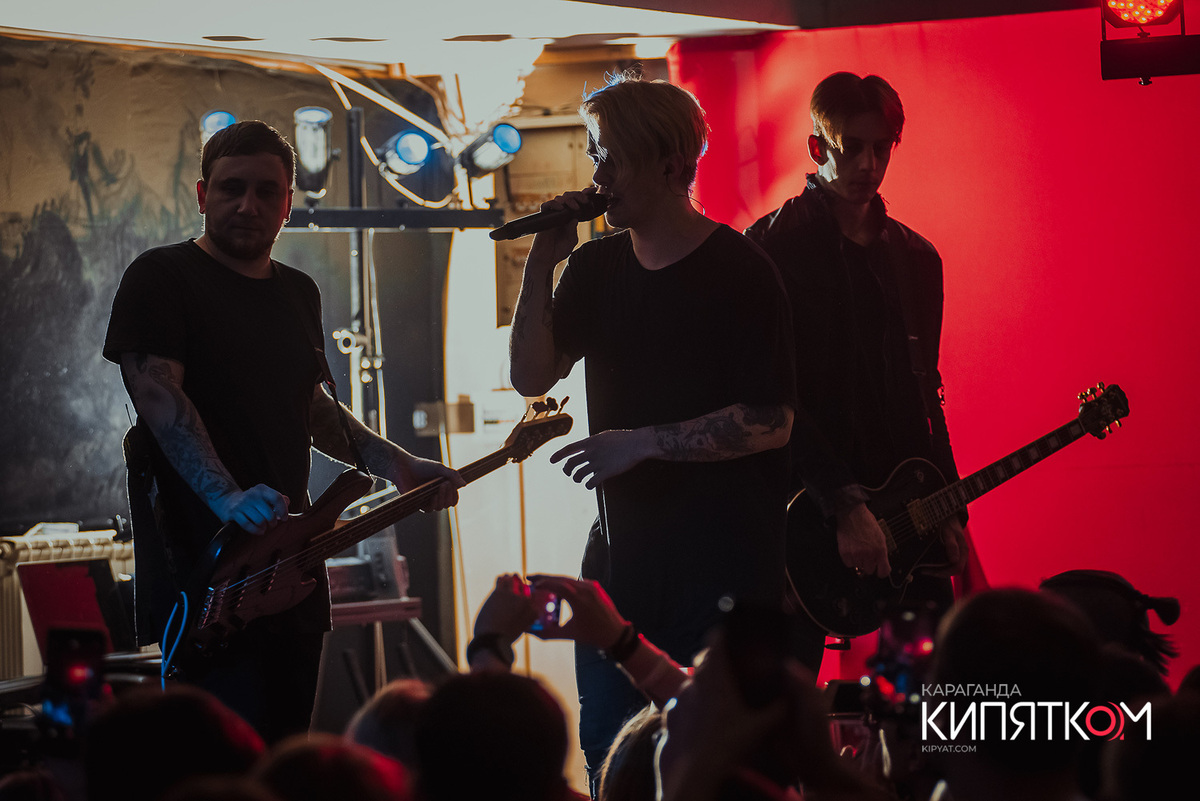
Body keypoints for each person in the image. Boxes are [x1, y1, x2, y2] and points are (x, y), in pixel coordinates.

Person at [103, 120, 463, 742]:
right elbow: (159, 397)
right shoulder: (162, 276)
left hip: (292, 570)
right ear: (202, 195)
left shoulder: (298, 292)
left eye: (266, 191)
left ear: (288, 204)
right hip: (205, 577)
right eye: (231, 188)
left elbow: (313, 409)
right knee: (216, 764)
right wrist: (228, 498)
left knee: (285, 756)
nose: (248, 204)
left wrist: (398, 465)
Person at [508, 70, 796, 791]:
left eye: (610, 157)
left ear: (670, 167)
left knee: (716, 767)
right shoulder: (595, 266)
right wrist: (542, 257)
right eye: (595, 156)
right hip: (622, 560)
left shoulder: (739, 270)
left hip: (721, 568)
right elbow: (531, 375)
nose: (598, 176)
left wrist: (639, 442)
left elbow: (772, 421)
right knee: (612, 757)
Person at [744, 72, 967, 657]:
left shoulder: (916, 258)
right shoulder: (768, 249)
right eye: (853, 148)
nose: (868, 165)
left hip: (907, 504)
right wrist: (842, 501)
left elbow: (926, 391)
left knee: (932, 690)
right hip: (804, 511)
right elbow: (770, 395)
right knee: (783, 692)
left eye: (882, 149)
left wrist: (949, 503)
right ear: (818, 147)